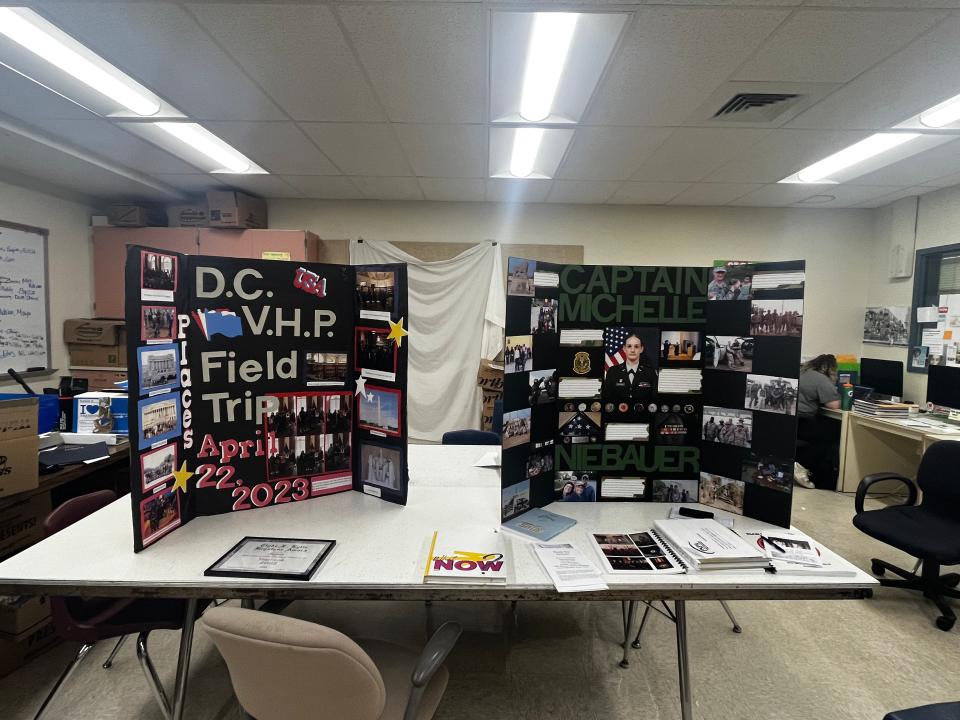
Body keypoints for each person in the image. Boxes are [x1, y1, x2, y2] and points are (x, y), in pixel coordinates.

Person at [795, 354, 841, 490]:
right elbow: (834, 405)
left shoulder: (801, 371)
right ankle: (805, 468)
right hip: (803, 422)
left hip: (790, 421)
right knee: (834, 435)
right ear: (828, 368)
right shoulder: (821, 379)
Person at [601, 333, 657, 409]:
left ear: (641, 349)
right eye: (629, 346)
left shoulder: (650, 372)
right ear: (624, 349)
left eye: (636, 346)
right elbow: (607, 397)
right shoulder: (613, 371)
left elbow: (654, 398)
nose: (632, 350)